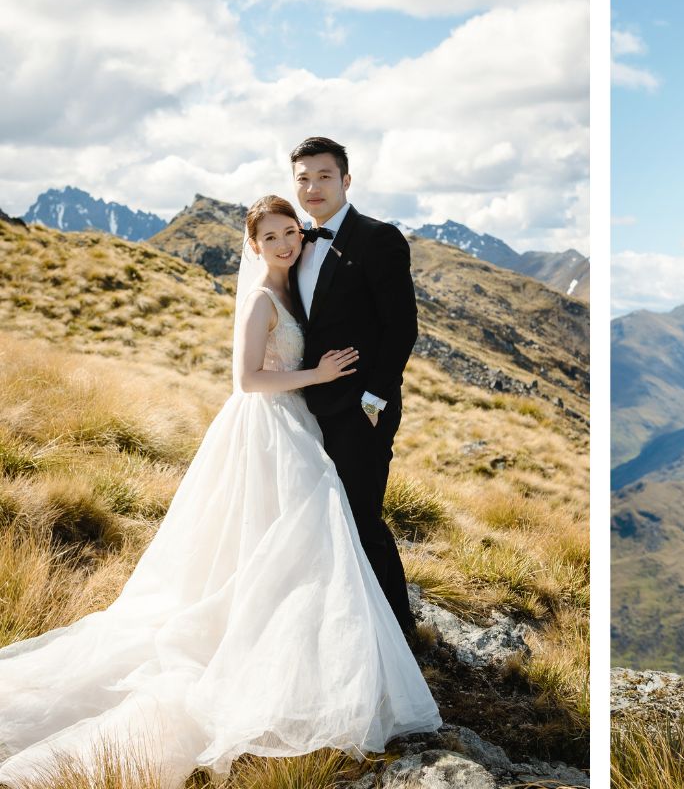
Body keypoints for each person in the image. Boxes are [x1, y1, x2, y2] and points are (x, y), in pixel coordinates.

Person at [0, 196, 441, 788]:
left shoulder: (296, 286)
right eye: (272, 236)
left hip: (300, 424)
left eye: (291, 232)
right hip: (266, 428)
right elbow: (247, 379)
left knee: (298, 540)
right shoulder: (261, 298)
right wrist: (316, 374)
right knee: (289, 534)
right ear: (253, 246)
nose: (286, 243)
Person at [287, 136, 421, 637]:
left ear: (345, 180)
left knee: (362, 518)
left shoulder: (379, 238)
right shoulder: (296, 241)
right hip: (307, 406)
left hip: (362, 409)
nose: (313, 187)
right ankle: (342, 627)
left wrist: (375, 397)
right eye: (303, 178)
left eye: (324, 176)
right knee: (322, 522)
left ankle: (397, 636)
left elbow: (401, 327)